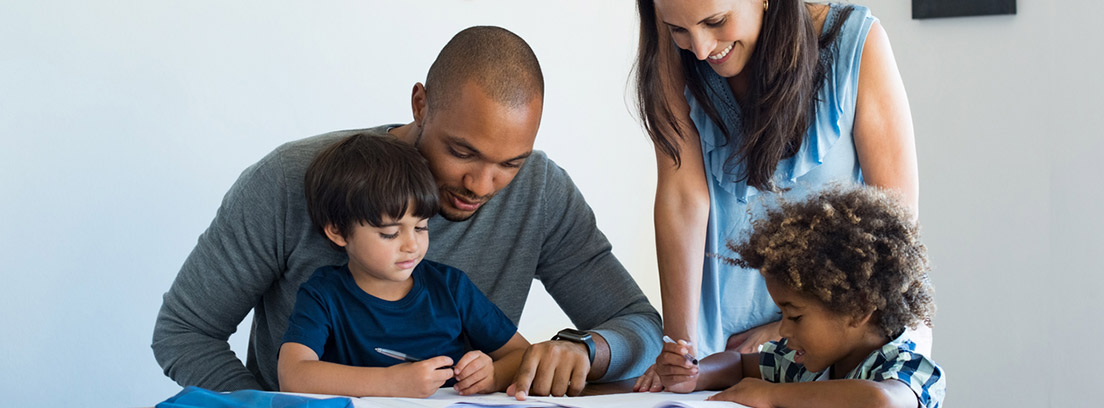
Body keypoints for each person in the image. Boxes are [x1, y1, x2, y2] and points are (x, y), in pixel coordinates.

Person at [152, 25, 661, 398]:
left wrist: (587, 350)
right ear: (421, 104)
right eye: (462, 152)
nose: (482, 186)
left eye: (510, 163)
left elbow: (639, 325)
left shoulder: (541, 192)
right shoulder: (290, 180)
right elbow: (184, 332)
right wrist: (266, 406)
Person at [631, 0, 924, 391]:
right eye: (677, 29)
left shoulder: (857, 43)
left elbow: (896, 230)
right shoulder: (676, 56)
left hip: (835, 338)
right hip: (718, 347)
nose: (700, 49)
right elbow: (682, 199)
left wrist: (789, 327)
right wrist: (681, 351)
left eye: (715, 22)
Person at [277, 134, 530, 398]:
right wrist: (390, 382)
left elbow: (522, 354)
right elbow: (293, 375)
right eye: (390, 233)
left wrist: (493, 375)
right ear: (338, 232)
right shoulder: (323, 294)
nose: (412, 246)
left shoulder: (451, 287)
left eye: (421, 227)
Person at [655, 185, 945, 407]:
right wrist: (695, 373)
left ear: (858, 308)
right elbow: (738, 364)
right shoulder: (802, 362)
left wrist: (772, 395)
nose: (782, 330)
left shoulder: (907, 366)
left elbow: (879, 401)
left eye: (794, 316)